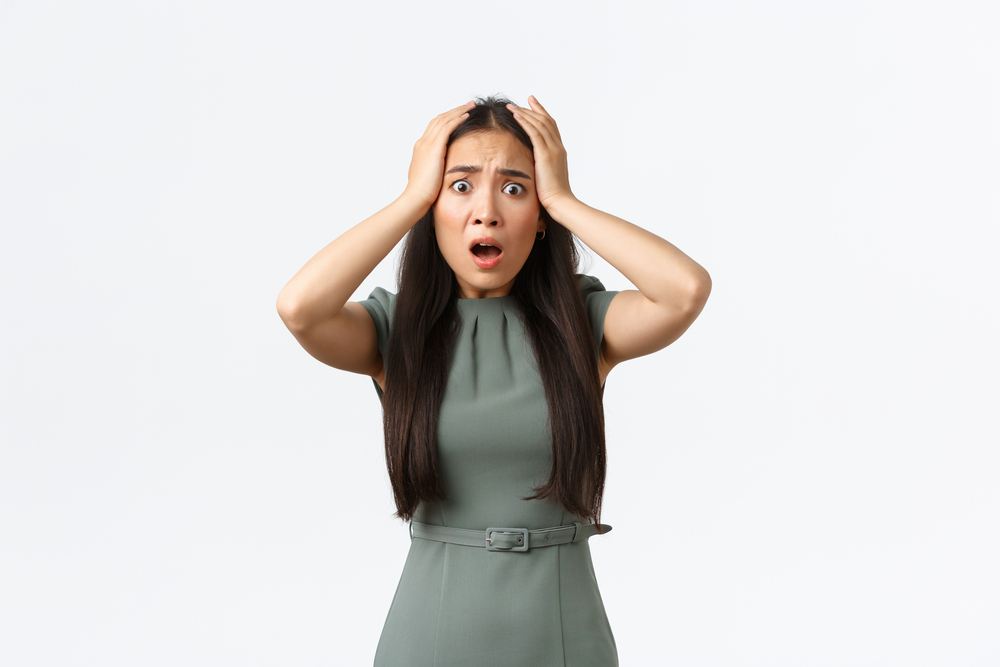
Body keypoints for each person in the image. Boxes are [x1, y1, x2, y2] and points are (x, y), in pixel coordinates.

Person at [276, 95, 711, 666]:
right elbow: (299, 307)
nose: (486, 212)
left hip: (564, 634)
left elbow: (685, 291)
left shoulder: (582, 325)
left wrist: (563, 199)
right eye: (460, 187)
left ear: (540, 217)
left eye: (514, 188)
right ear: (434, 209)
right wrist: (411, 197)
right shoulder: (396, 329)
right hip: (431, 635)